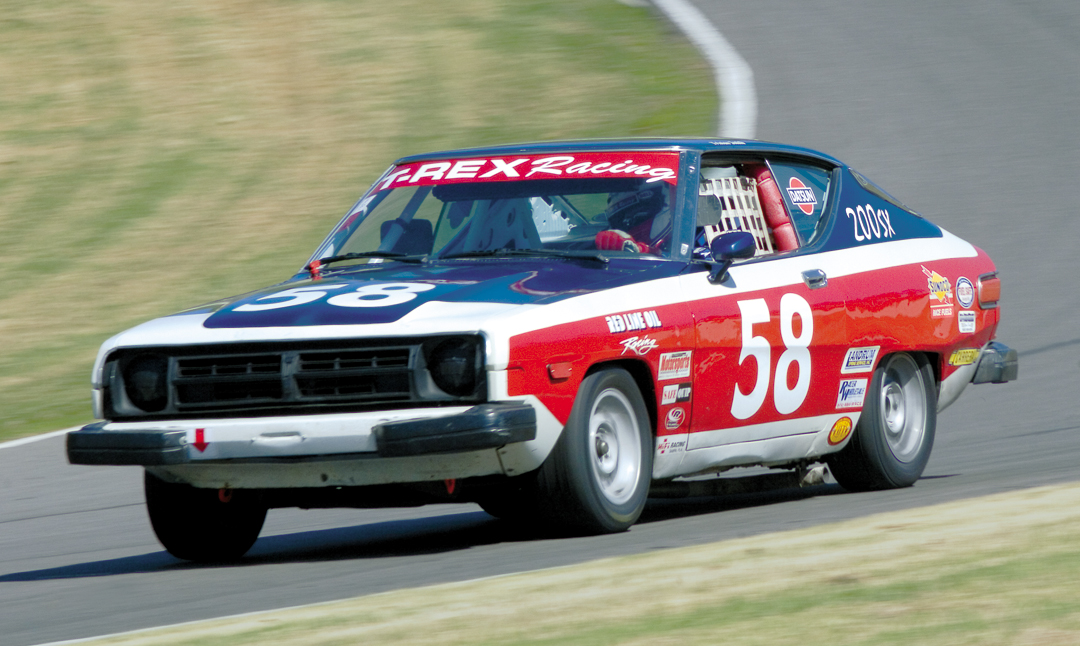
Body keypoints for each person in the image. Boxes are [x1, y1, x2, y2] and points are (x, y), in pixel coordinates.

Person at [594, 183, 671, 254]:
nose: (633, 230)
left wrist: (642, 249)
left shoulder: (678, 243)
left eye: (638, 220)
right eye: (619, 221)